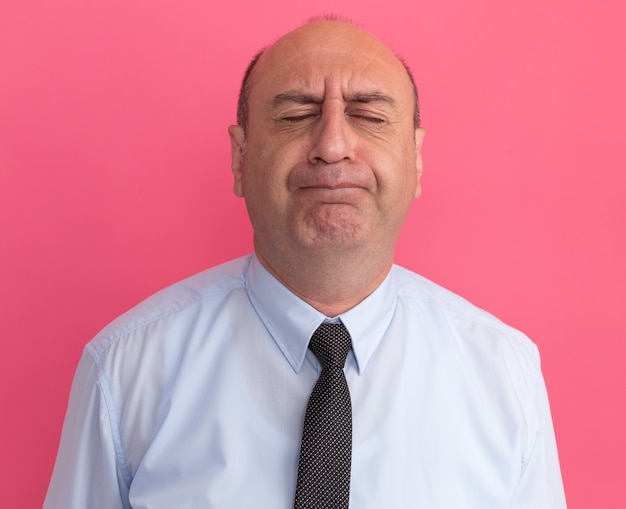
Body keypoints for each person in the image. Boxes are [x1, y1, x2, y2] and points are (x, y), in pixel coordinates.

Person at [44, 18, 567, 508]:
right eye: (295, 116)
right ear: (240, 158)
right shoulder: (125, 370)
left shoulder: (505, 374)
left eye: (369, 115)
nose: (333, 145)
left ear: (416, 157)